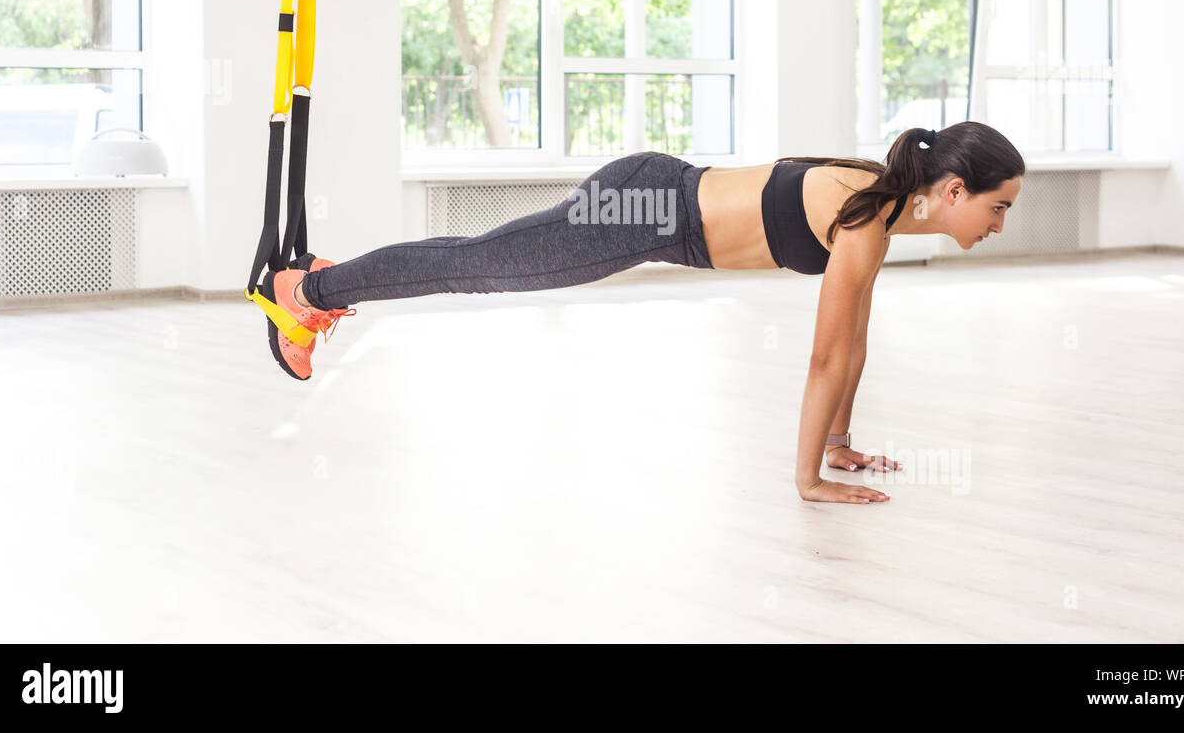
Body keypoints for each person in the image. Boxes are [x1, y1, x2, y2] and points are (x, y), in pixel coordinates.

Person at [260, 121, 1025, 504]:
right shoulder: (868, 219)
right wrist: (809, 480)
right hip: (648, 212)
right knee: (476, 266)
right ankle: (309, 291)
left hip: (656, 197)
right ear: (954, 191)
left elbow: (853, 344)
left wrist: (840, 443)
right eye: (999, 207)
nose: (1000, 225)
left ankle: (322, 285)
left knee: (481, 257)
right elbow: (827, 358)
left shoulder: (876, 210)